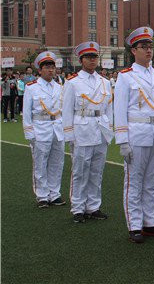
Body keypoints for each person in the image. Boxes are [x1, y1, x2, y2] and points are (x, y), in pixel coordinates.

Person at [114, 27, 154, 243]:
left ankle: (151, 223)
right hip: (137, 134)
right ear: (133, 51)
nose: (148, 51)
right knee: (134, 182)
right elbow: (119, 110)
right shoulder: (125, 77)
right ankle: (135, 226)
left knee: (150, 182)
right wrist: (122, 140)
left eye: (150, 46)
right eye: (143, 47)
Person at [62, 42, 114, 223]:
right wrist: (69, 134)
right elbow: (67, 110)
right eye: (88, 57)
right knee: (80, 170)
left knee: (96, 170)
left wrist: (110, 129)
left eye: (94, 57)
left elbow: (109, 108)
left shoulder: (105, 82)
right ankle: (77, 207)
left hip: (100, 129)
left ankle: (93, 206)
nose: (92, 60)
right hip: (81, 129)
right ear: (81, 59)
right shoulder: (73, 82)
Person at [22, 51, 66, 208]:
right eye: (47, 67)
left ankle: (55, 193)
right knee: (40, 163)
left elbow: (64, 110)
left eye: (52, 67)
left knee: (57, 162)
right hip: (40, 128)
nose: (51, 70)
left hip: (57, 128)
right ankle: (42, 195)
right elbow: (26, 113)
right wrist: (29, 132)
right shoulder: (32, 87)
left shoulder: (60, 87)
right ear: (39, 70)